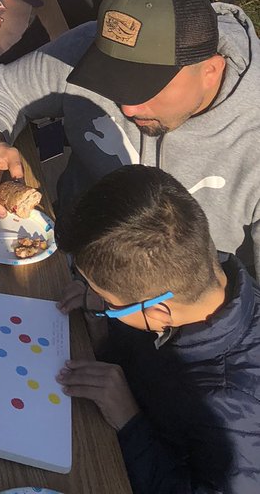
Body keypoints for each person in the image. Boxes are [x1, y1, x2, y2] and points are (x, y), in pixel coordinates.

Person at [0, 0, 260, 272]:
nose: (128, 108)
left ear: (210, 70)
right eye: (113, 81)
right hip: (67, 254)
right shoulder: (96, 47)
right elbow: (4, 88)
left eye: (146, 88)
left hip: (182, 310)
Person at [55, 166, 260, 494]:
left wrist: (129, 420)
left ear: (158, 311)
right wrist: (99, 314)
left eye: (107, 298)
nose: (94, 294)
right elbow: (142, 348)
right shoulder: (197, 279)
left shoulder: (233, 413)